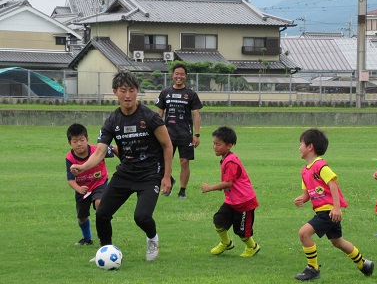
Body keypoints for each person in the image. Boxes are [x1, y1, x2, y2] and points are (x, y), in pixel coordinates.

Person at [70, 71, 173, 262]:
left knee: (141, 217)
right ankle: (105, 252)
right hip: (126, 173)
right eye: (123, 91)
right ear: (115, 92)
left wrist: (166, 176)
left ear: (137, 92)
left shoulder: (149, 117)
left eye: (131, 90)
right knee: (102, 213)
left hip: (150, 173)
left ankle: (152, 239)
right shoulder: (112, 120)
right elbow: (100, 152)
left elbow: (167, 145)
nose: (127, 95)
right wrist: (83, 166)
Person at [294, 128, 374, 281]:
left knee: (303, 233)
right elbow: (307, 195)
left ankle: (313, 269)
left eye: (301, 144)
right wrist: (301, 199)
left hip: (328, 211)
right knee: (338, 242)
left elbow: (332, 184)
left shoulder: (320, 165)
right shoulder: (305, 171)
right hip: (323, 211)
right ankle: (364, 264)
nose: (299, 148)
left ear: (310, 146)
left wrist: (336, 207)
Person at [201, 126, 261, 257]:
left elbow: (228, 183)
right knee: (218, 220)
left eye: (218, 144)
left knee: (242, 231)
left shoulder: (231, 161)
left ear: (228, 145)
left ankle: (252, 247)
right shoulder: (225, 158)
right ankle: (226, 243)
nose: (214, 147)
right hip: (232, 201)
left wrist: (209, 188)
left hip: (244, 201)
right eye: (214, 143)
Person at [156, 63, 203, 199]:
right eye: (177, 73)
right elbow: (159, 112)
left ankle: (182, 191)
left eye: (182, 74)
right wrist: (154, 131)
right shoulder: (165, 93)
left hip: (185, 134)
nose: (179, 76)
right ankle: (169, 181)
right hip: (167, 134)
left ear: (185, 76)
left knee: (184, 162)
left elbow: (196, 114)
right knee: (165, 161)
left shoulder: (191, 94)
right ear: (173, 75)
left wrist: (197, 135)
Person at [66, 123, 117, 246]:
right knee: (82, 217)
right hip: (82, 189)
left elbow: (114, 148)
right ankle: (87, 238)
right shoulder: (70, 158)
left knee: (100, 204)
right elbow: (70, 180)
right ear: (70, 143)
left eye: (82, 140)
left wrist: (125, 162)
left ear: (87, 139)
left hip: (100, 183)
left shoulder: (97, 151)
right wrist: (78, 188)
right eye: (75, 141)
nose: (79, 144)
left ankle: (102, 236)